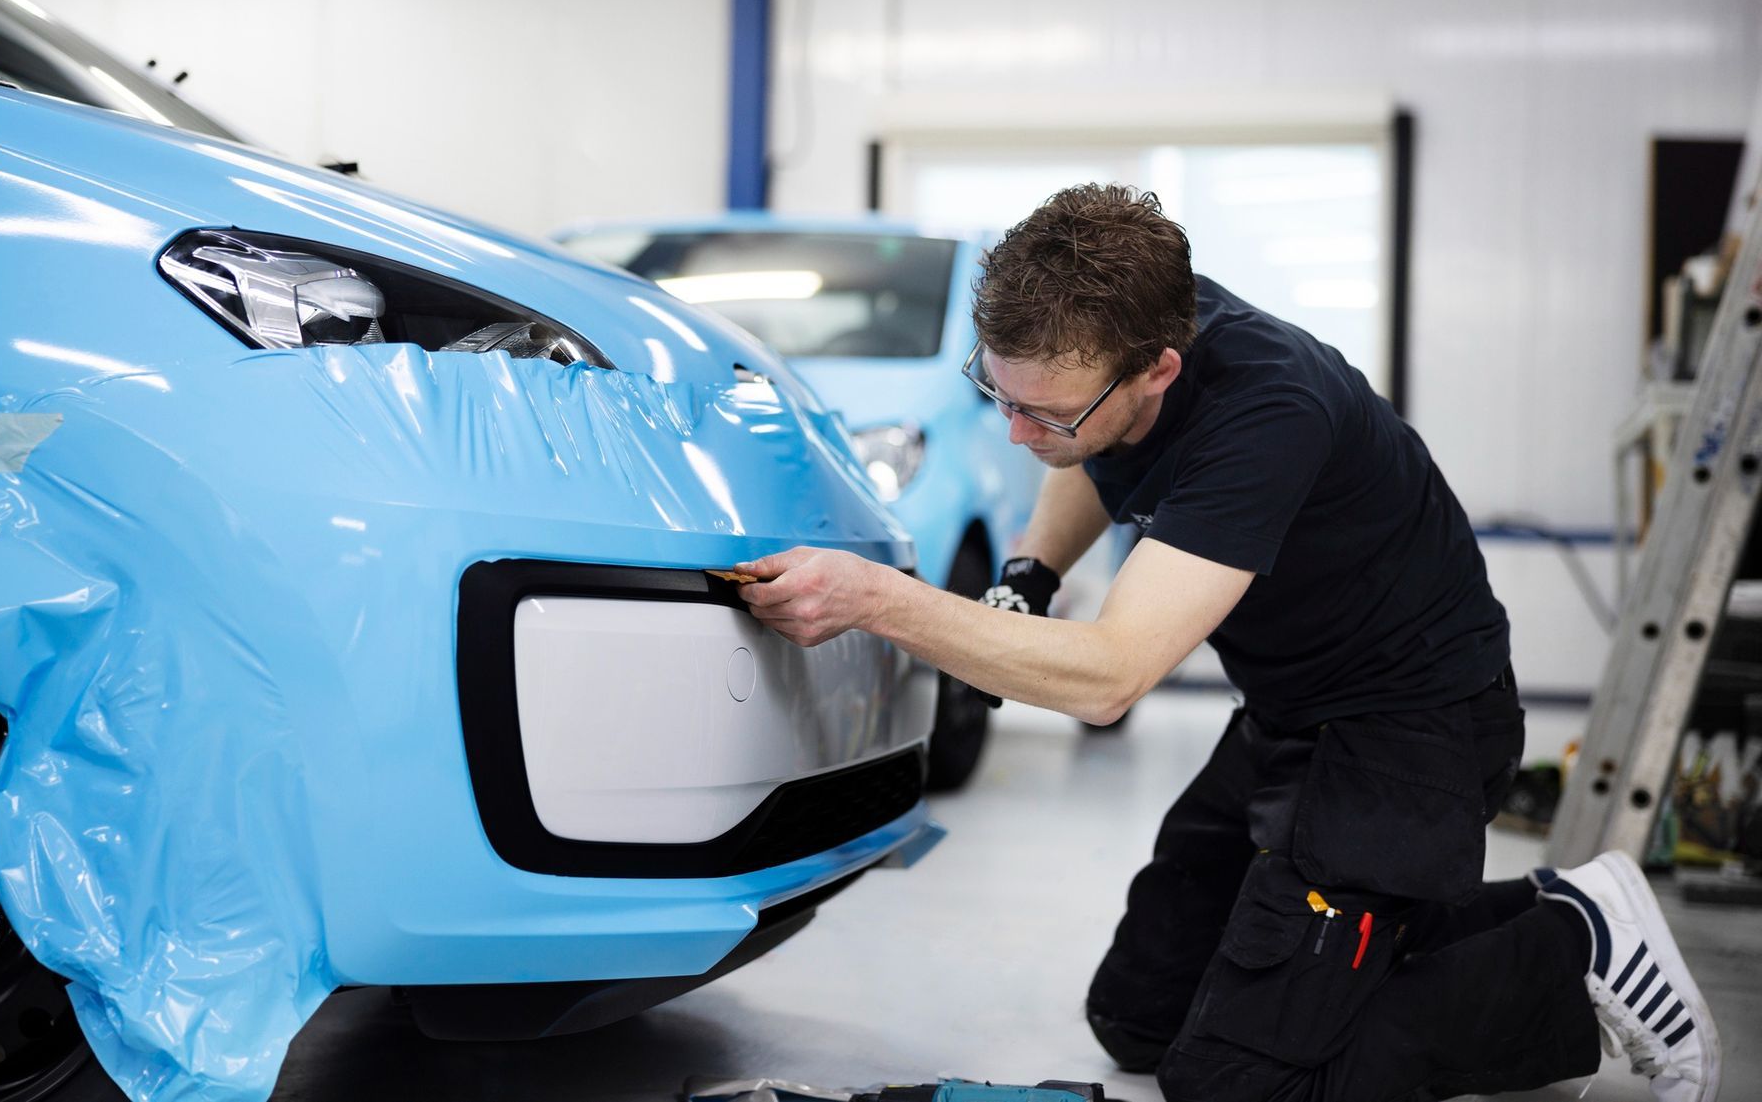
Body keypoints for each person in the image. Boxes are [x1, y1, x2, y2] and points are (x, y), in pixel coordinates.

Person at [731, 184, 1720, 1102]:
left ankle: (1567, 945)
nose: (1019, 435)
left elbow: (1112, 676)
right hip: (1291, 714)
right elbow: (1090, 449)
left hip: (1412, 736)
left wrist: (880, 600)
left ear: (1159, 367)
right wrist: (1031, 575)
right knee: (1137, 1018)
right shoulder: (1121, 332)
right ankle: (1476, 923)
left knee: (1234, 1081)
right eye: (1000, 397)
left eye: (1042, 411)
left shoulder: (1268, 411)